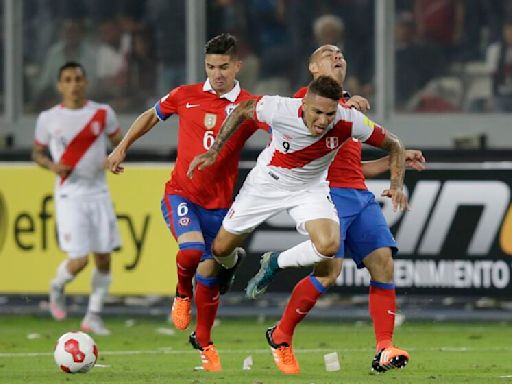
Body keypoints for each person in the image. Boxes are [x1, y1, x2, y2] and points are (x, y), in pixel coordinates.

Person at [188, 75, 409, 374]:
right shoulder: (280, 108)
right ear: (304, 104)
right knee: (220, 249)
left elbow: (394, 143)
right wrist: (215, 150)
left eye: (329, 114)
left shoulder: (348, 119)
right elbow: (242, 110)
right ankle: (232, 264)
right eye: (317, 112)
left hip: (310, 189)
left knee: (329, 248)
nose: (323, 120)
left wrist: (397, 183)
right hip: (267, 184)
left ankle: (382, 345)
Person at [245, 44, 425, 373]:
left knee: (383, 263)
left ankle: (384, 347)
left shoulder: (348, 112)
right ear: (313, 68)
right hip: (326, 193)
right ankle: (281, 335)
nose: (337, 55)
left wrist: (395, 160)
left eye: (340, 52)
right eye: (327, 53)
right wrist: (341, 110)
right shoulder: (307, 101)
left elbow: (355, 166)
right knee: (328, 274)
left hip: (357, 193)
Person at [107, 33, 264, 372]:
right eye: (210, 66)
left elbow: (290, 116)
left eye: (223, 66)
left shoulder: (251, 106)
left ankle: (205, 343)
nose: (217, 73)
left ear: (237, 66)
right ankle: (181, 294)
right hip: (181, 194)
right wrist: (122, 147)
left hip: (220, 206)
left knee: (208, 272)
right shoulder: (185, 95)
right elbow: (150, 116)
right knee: (192, 253)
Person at [32, 62, 123, 336]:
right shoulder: (48, 118)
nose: (74, 84)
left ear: (85, 82)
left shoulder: (102, 113)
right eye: (68, 80)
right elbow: (37, 152)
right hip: (69, 194)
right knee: (80, 260)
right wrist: (51, 166)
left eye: (78, 79)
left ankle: (93, 315)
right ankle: (57, 286)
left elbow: (120, 142)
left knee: (104, 258)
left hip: (99, 192)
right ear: (60, 85)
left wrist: (115, 158)